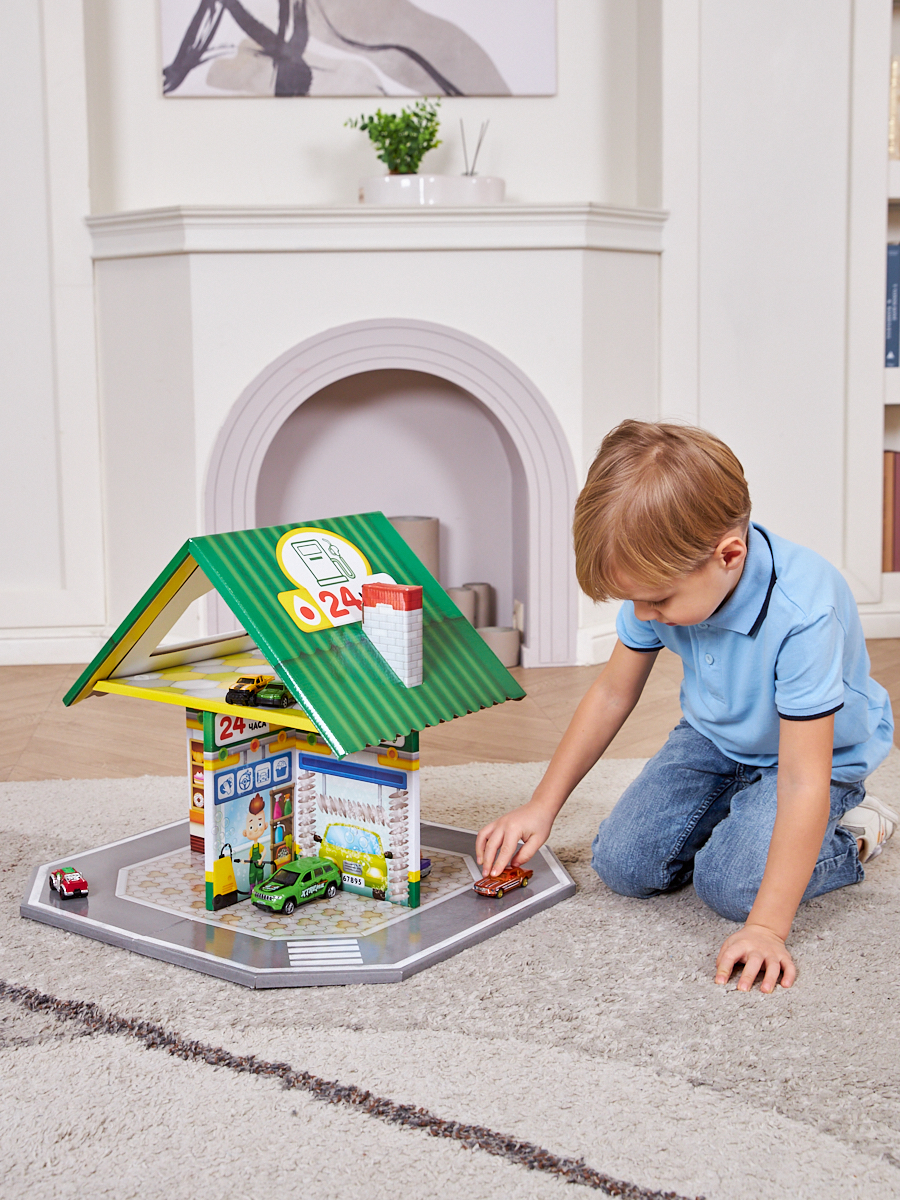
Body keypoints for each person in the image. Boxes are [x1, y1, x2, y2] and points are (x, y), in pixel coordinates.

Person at [476, 420, 896, 993]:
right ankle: (743, 821)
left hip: (810, 758)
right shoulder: (660, 584)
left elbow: (802, 780)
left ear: (729, 555)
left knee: (734, 889)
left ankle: (855, 833)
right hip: (715, 737)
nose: (642, 615)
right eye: (633, 600)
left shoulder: (804, 612)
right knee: (623, 865)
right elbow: (611, 693)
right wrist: (541, 805)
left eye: (655, 601)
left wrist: (767, 928)